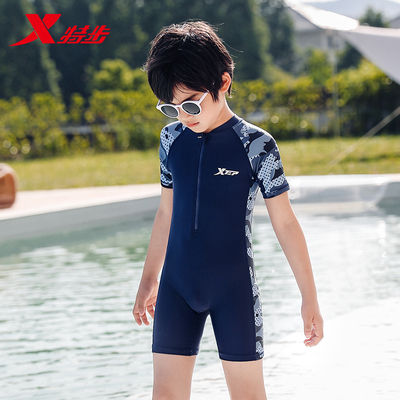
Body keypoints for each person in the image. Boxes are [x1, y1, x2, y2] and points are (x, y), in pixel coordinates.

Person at [133, 21, 323, 400]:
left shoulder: (257, 145)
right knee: (165, 394)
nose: (184, 116)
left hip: (233, 290)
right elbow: (166, 213)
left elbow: (285, 223)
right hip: (176, 288)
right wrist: (148, 279)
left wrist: (310, 298)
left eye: (191, 103)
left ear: (223, 82)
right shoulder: (171, 139)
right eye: (170, 108)